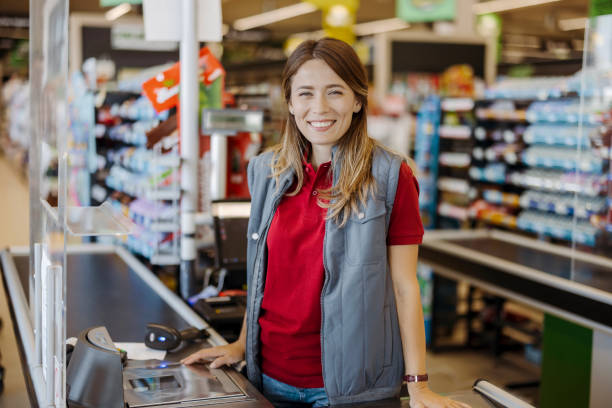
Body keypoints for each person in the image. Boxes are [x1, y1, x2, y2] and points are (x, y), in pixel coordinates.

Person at [182, 37, 470, 408]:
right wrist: (241, 344)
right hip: (268, 376)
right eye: (305, 93)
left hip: (352, 387)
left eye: (335, 91)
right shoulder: (266, 172)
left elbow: (404, 285)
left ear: (357, 99)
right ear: (289, 102)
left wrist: (418, 384)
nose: (318, 107)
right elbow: (261, 276)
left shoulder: (390, 177)